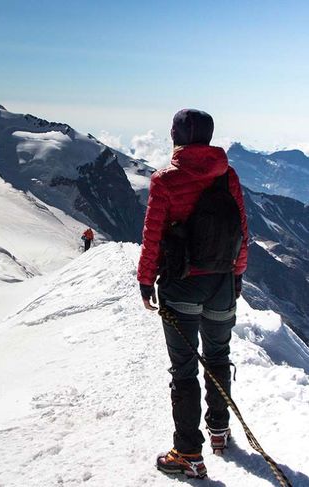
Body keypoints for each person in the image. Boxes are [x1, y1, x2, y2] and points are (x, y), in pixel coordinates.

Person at [137, 109, 248, 479]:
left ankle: (188, 453)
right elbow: (240, 231)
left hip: (181, 284)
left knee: (184, 369)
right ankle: (219, 431)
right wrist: (237, 274)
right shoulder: (227, 175)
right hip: (220, 283)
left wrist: (145, 279)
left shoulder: (165, 180)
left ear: (176, 135)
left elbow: (153, 234)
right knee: (218, 357)